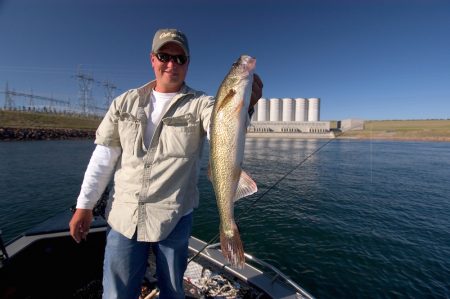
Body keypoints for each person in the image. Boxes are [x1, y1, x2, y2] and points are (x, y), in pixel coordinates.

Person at [69, 28, 263, 299]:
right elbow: (103, 158)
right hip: (124, 217)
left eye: (179, 58)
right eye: (164, 56)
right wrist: (84, 205)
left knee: (173, 291)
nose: (171, 64)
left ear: (188, 63)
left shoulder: (203, 104)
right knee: (117, 293)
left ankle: (225, 228)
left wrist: (246, 107)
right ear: (152, 59)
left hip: (174, 219)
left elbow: (223, 128)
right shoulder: (124, 102)